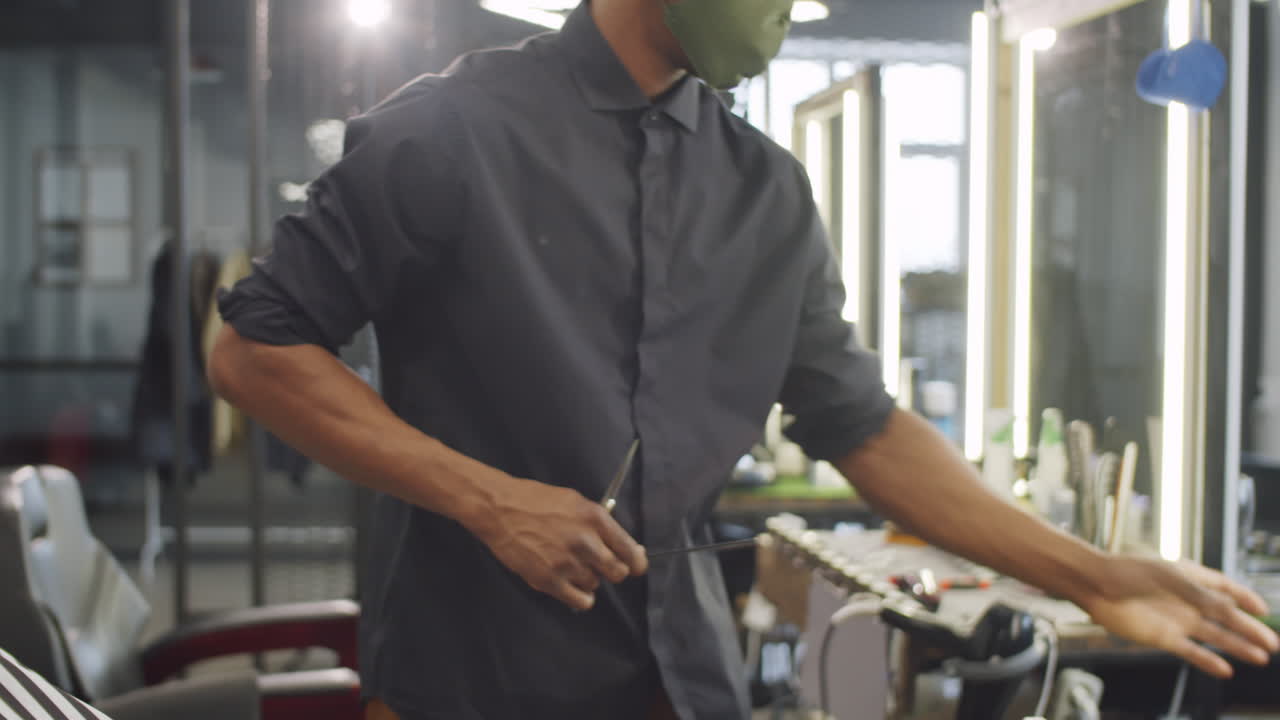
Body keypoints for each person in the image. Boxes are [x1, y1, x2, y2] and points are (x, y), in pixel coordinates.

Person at [208, 0, 1280, 718]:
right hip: (471, 681)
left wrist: (1093, 577)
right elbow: (252, 350)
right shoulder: (446, 134)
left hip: (686, 681)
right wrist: (487, 500)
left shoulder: (766, 195)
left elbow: (862, 427)